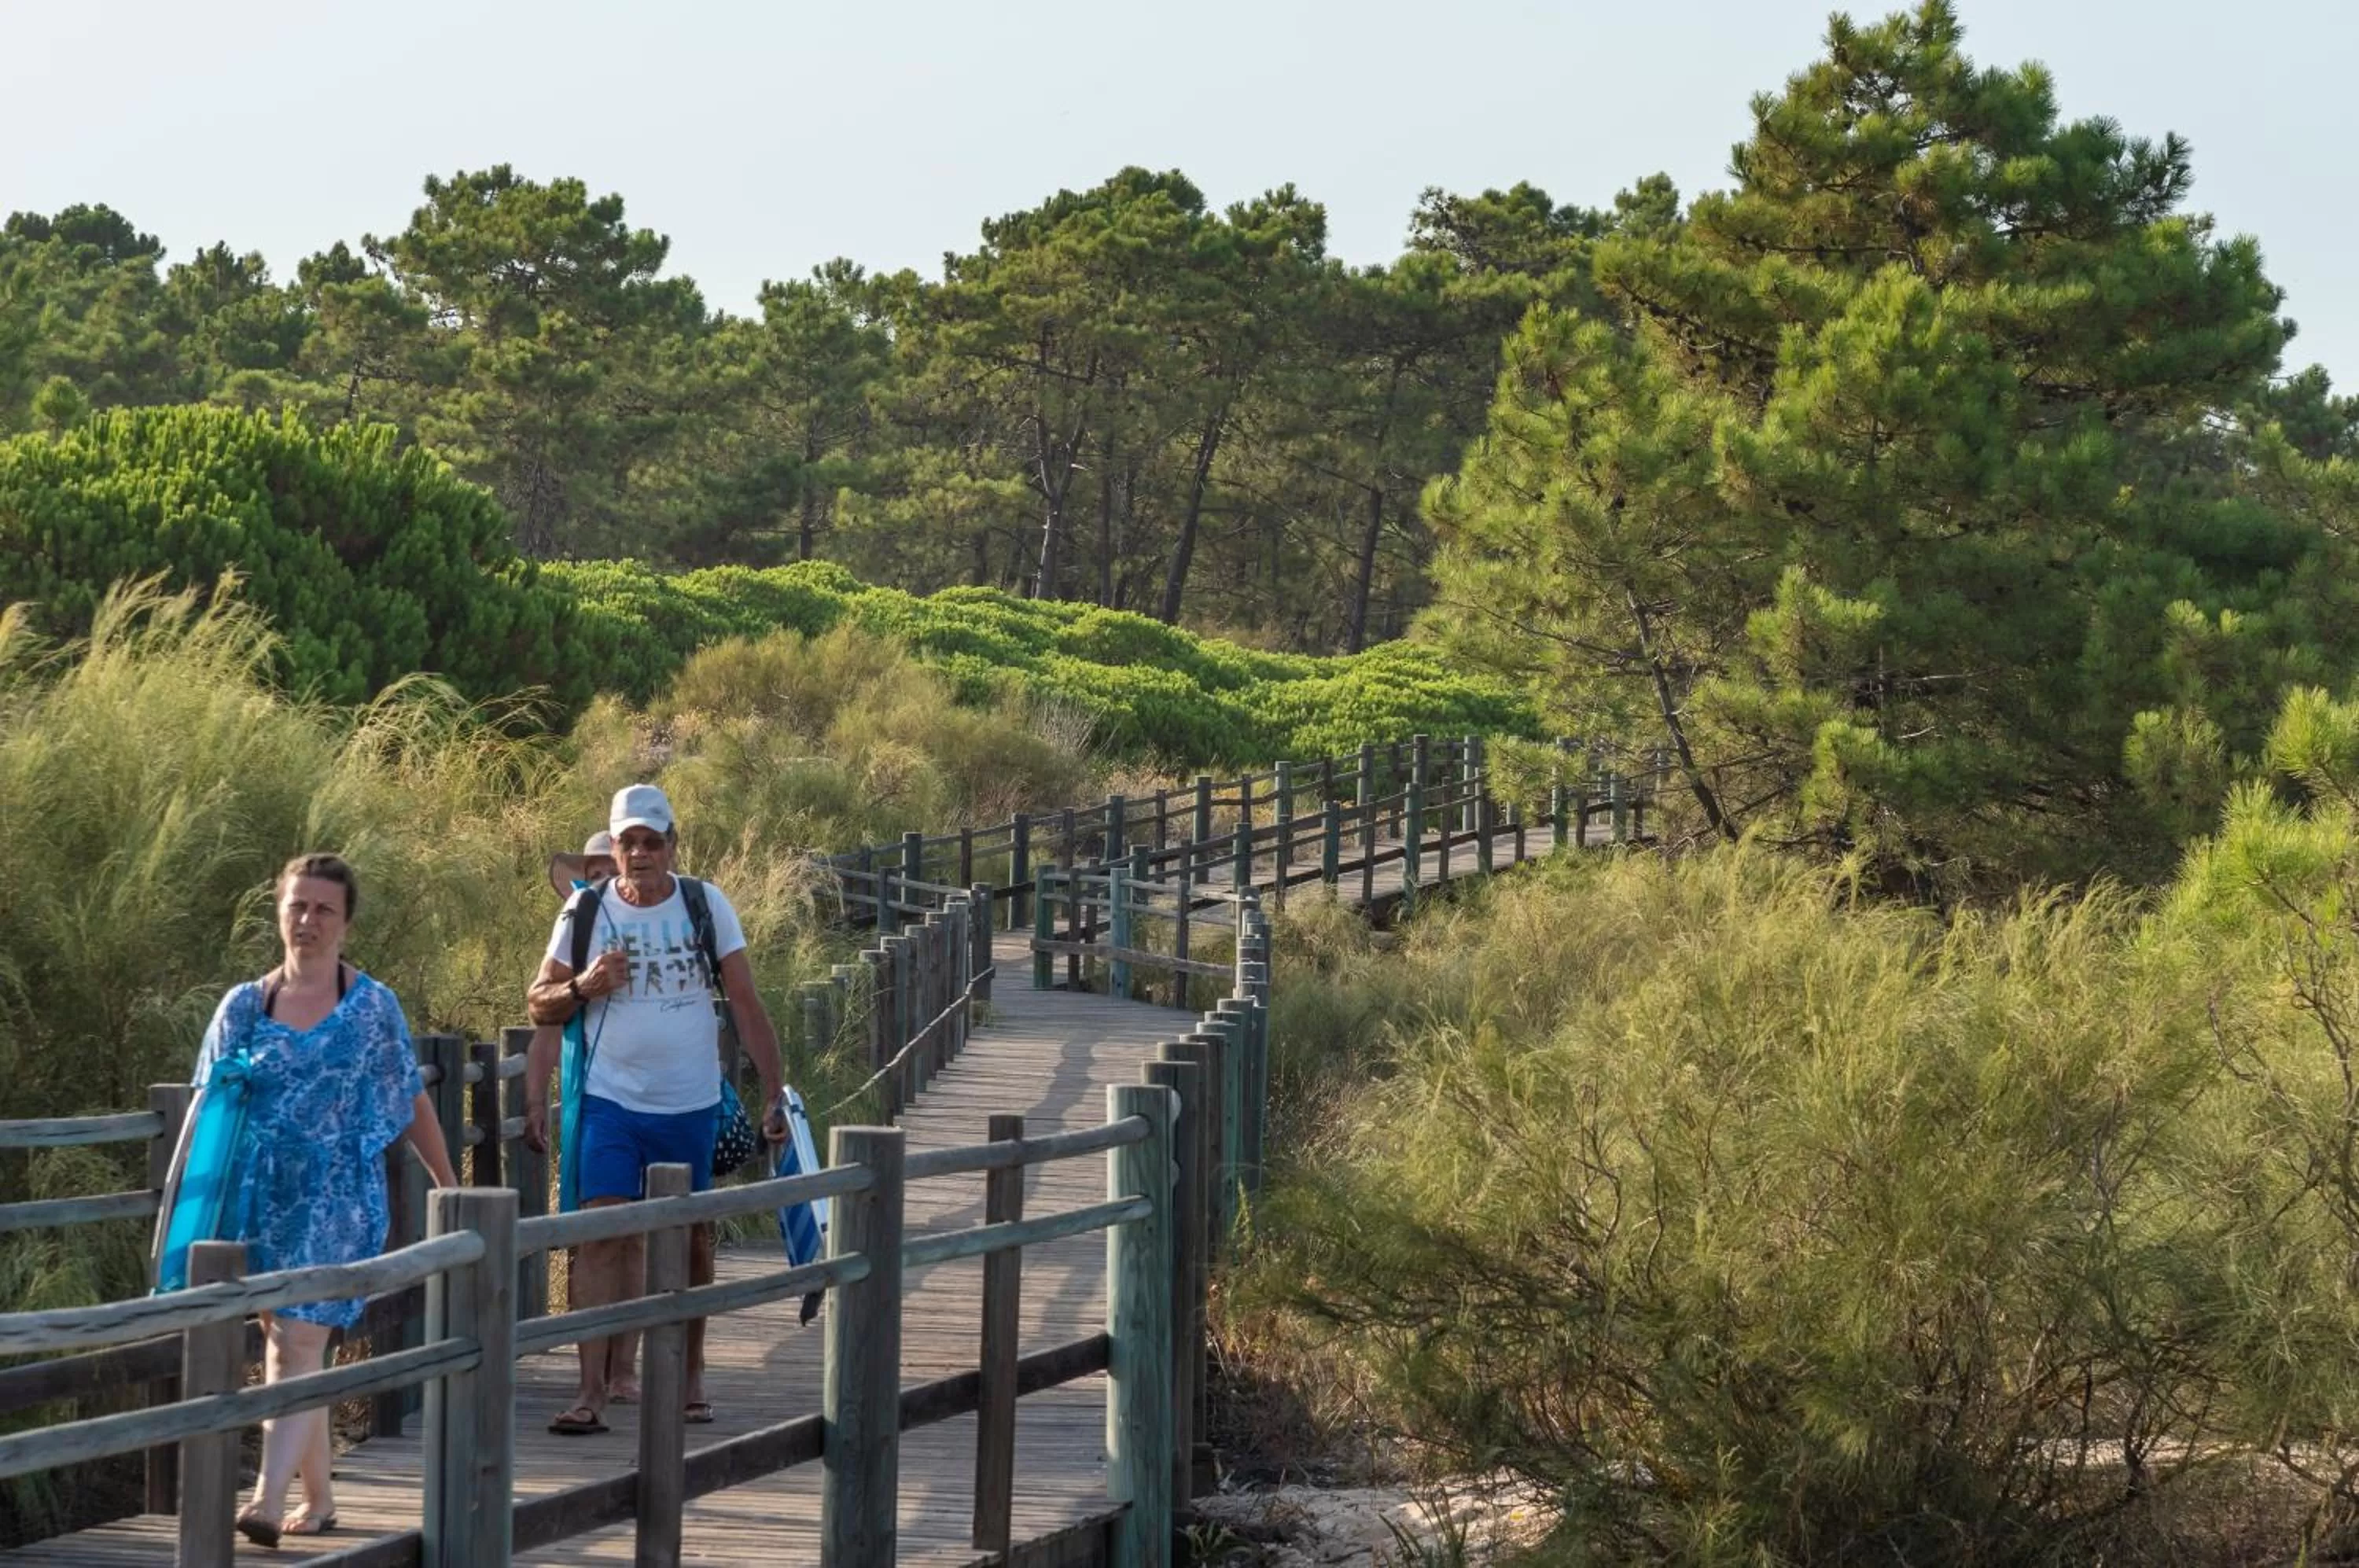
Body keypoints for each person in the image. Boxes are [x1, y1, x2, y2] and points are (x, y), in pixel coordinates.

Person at [192, 854, 458, 1548]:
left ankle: (263, 1497)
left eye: (323, 910)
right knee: (289, 1343)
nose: (307, 920)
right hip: (262, 1200)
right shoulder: (244, 1007)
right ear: (279, 913)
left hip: (340, 1198)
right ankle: (320, 1500)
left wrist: (449, 1181)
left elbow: (407, 1095)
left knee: (299, 1341)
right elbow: (207, 1113)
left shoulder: (372, 1006)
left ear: (345, 923)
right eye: (297, 906)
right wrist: (192, 1210)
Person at [526, 784, 787, 1436]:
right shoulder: (585, 912)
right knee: (600, 1235)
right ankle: (590, 1390)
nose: (639, 853)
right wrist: (583, 986)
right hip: (610, 1102)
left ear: (672, 845)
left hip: (688, 1103)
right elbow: (538, 1003)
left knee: (690, 1239)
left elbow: (747, 1002)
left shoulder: (705, 904)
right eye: (627, 842)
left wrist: (774, 1090)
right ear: (612, 849)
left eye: (651, 841)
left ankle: (692, 1374)